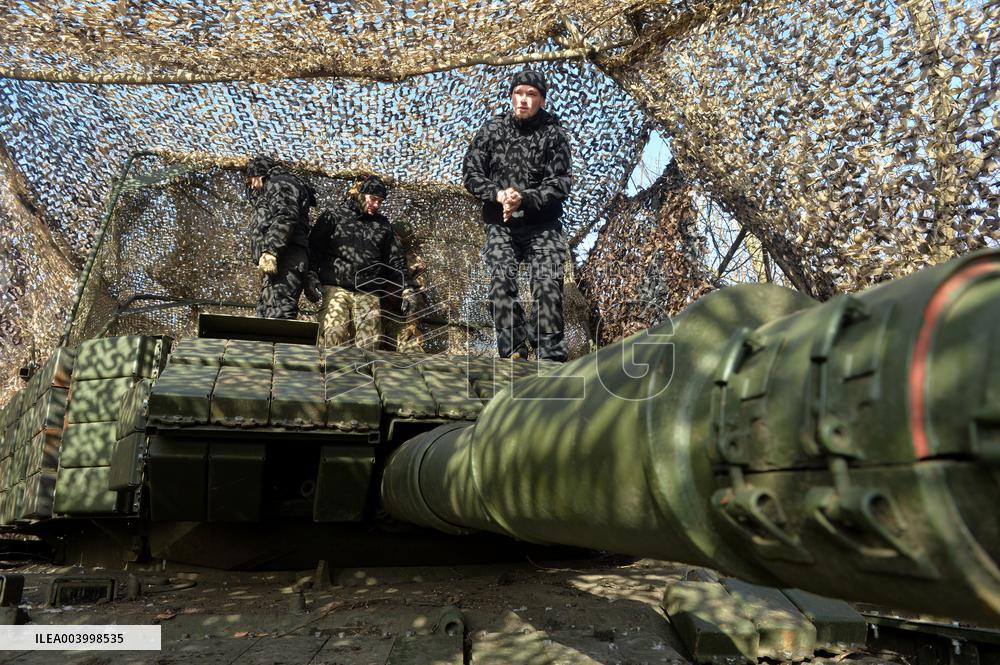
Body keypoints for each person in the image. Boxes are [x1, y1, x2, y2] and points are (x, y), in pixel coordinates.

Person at [462, 69, 572, 362]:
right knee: (500, 284)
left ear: (542, 100)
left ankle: (550, 356)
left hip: (543, 226)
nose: (523, 100)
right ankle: (514, 350)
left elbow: (560, 184)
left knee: (548, 287)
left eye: (531, 94)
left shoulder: (554, 134)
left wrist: (524, 198)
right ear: (511, 96)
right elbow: (471, 173)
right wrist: (497, 195)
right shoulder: (492, 130)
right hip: (501, 225)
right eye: (518, 93)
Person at [308, 176, 417, 350]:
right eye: (373, 199)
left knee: (369, 343)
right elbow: (314, 248)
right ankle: (326, 367)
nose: (376, 204)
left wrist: (407, 289)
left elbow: (395, 259)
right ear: (361, 194)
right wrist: (311, 275)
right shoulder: (334, 215)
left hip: (368, 291)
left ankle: (364, 368)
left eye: (380, 201)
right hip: (336, 286)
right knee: (332, 334)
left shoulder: (383, 225)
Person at [246, 155, 317, 319]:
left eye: (251, 181)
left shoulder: (280, 182)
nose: (252, 186)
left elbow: (286, 215)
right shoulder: (275, 185)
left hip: (286, 258)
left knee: (279, 315)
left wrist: (271, 251)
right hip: (280, 260)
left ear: (259, 174)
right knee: (266, 315)